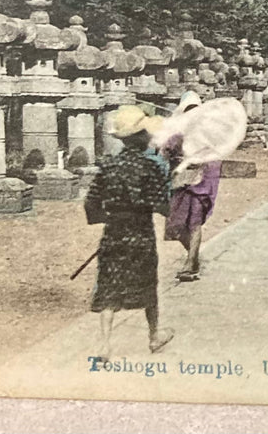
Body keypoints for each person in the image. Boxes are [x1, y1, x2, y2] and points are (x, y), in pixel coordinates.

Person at [85, 105, 174, 360]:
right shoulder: (152, 167)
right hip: (141, 234)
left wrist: (112, 216)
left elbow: (91, 205)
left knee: (109, 287)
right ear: (142, 137)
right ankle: (154, 336)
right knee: (148, 286)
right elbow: (163, 207)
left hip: (113, 234)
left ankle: (104, 345)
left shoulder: (108, 166)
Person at [161, 91, 221, 282]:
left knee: (194, 222)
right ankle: (193, 257)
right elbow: (165, 151)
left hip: (201, 181)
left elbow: (215, 156)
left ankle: (189, 263)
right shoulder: (177, 131)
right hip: (180, 180)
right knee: (176, 226)